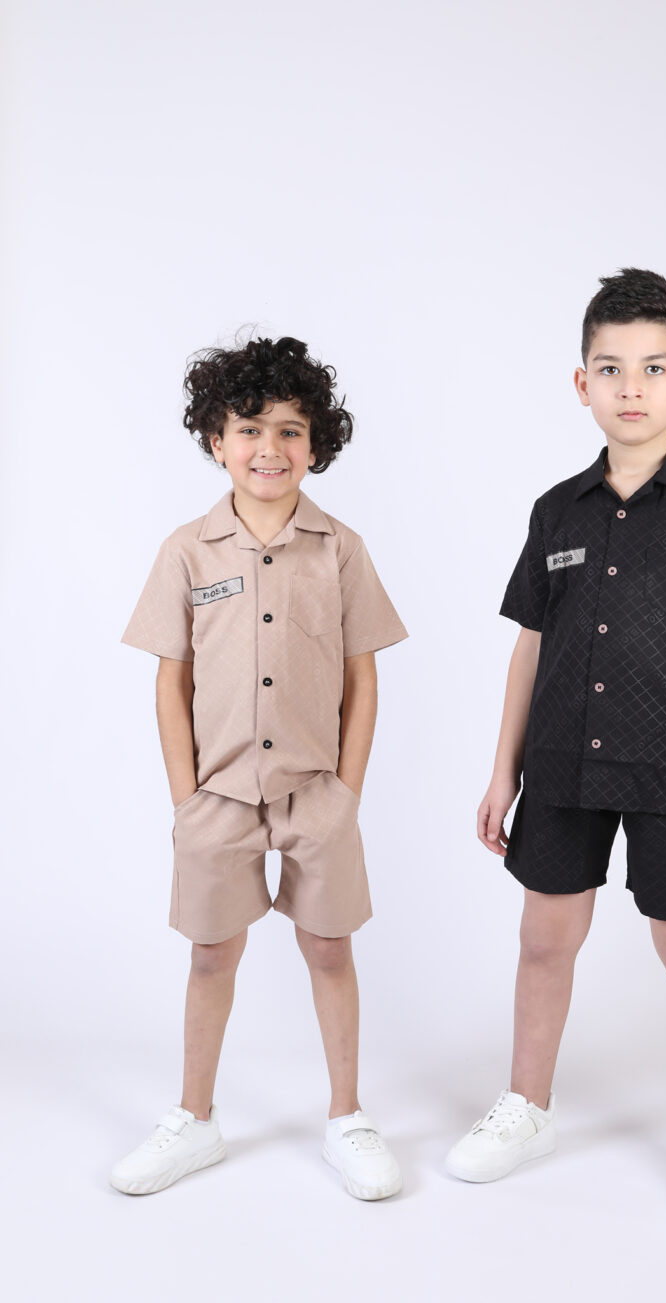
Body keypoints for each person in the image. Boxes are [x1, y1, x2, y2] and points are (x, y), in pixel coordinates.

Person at [446, 269, 666, 1245]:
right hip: (561, 763)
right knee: (544, 939)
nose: (631, 387)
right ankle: (527, 1106)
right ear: (581, 383)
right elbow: (531, 647)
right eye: (610, 368)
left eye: (653, 367)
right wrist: (504, 770)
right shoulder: (556, 510)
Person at [111, 336, 407, 1200]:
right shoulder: (186, 551)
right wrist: (186, 800)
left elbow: (363, 677)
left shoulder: (340, 548)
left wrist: (347, 793)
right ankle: (194, 1118)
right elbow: (171, 683)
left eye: (289, 430)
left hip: (317, 793)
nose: (268, 448)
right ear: (217, 440)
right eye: (248, 428)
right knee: (211, 955)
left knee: (329, 948)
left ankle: (347, 1116)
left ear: (315, 444)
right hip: (218, 796)